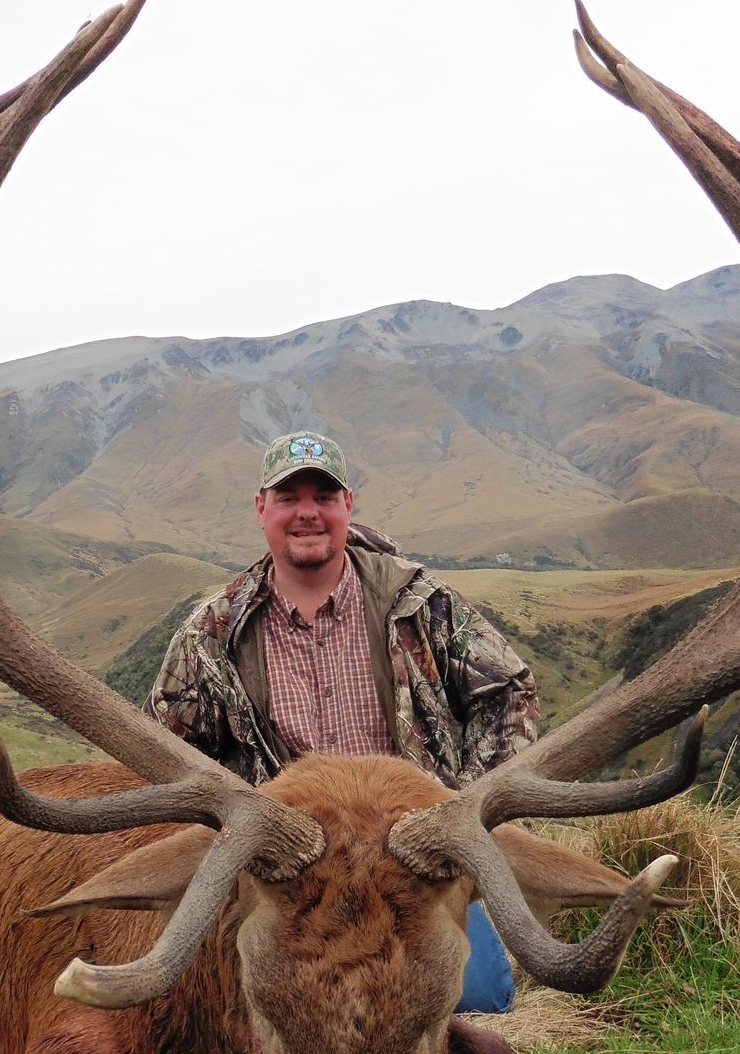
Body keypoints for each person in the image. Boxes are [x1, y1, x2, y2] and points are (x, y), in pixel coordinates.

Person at [145, 430, 541, 1021]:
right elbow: (165, 748)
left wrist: (465, 804)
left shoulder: (419, 603)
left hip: (409, 859)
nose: (307, 512)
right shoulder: (212, 632)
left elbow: (509, 690)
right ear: (262, 510)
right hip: (289, 868)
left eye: (323, 496)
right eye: (289, 497)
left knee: (476, 1001)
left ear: (347, 505)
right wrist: (232, 838)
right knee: (248, 1004)